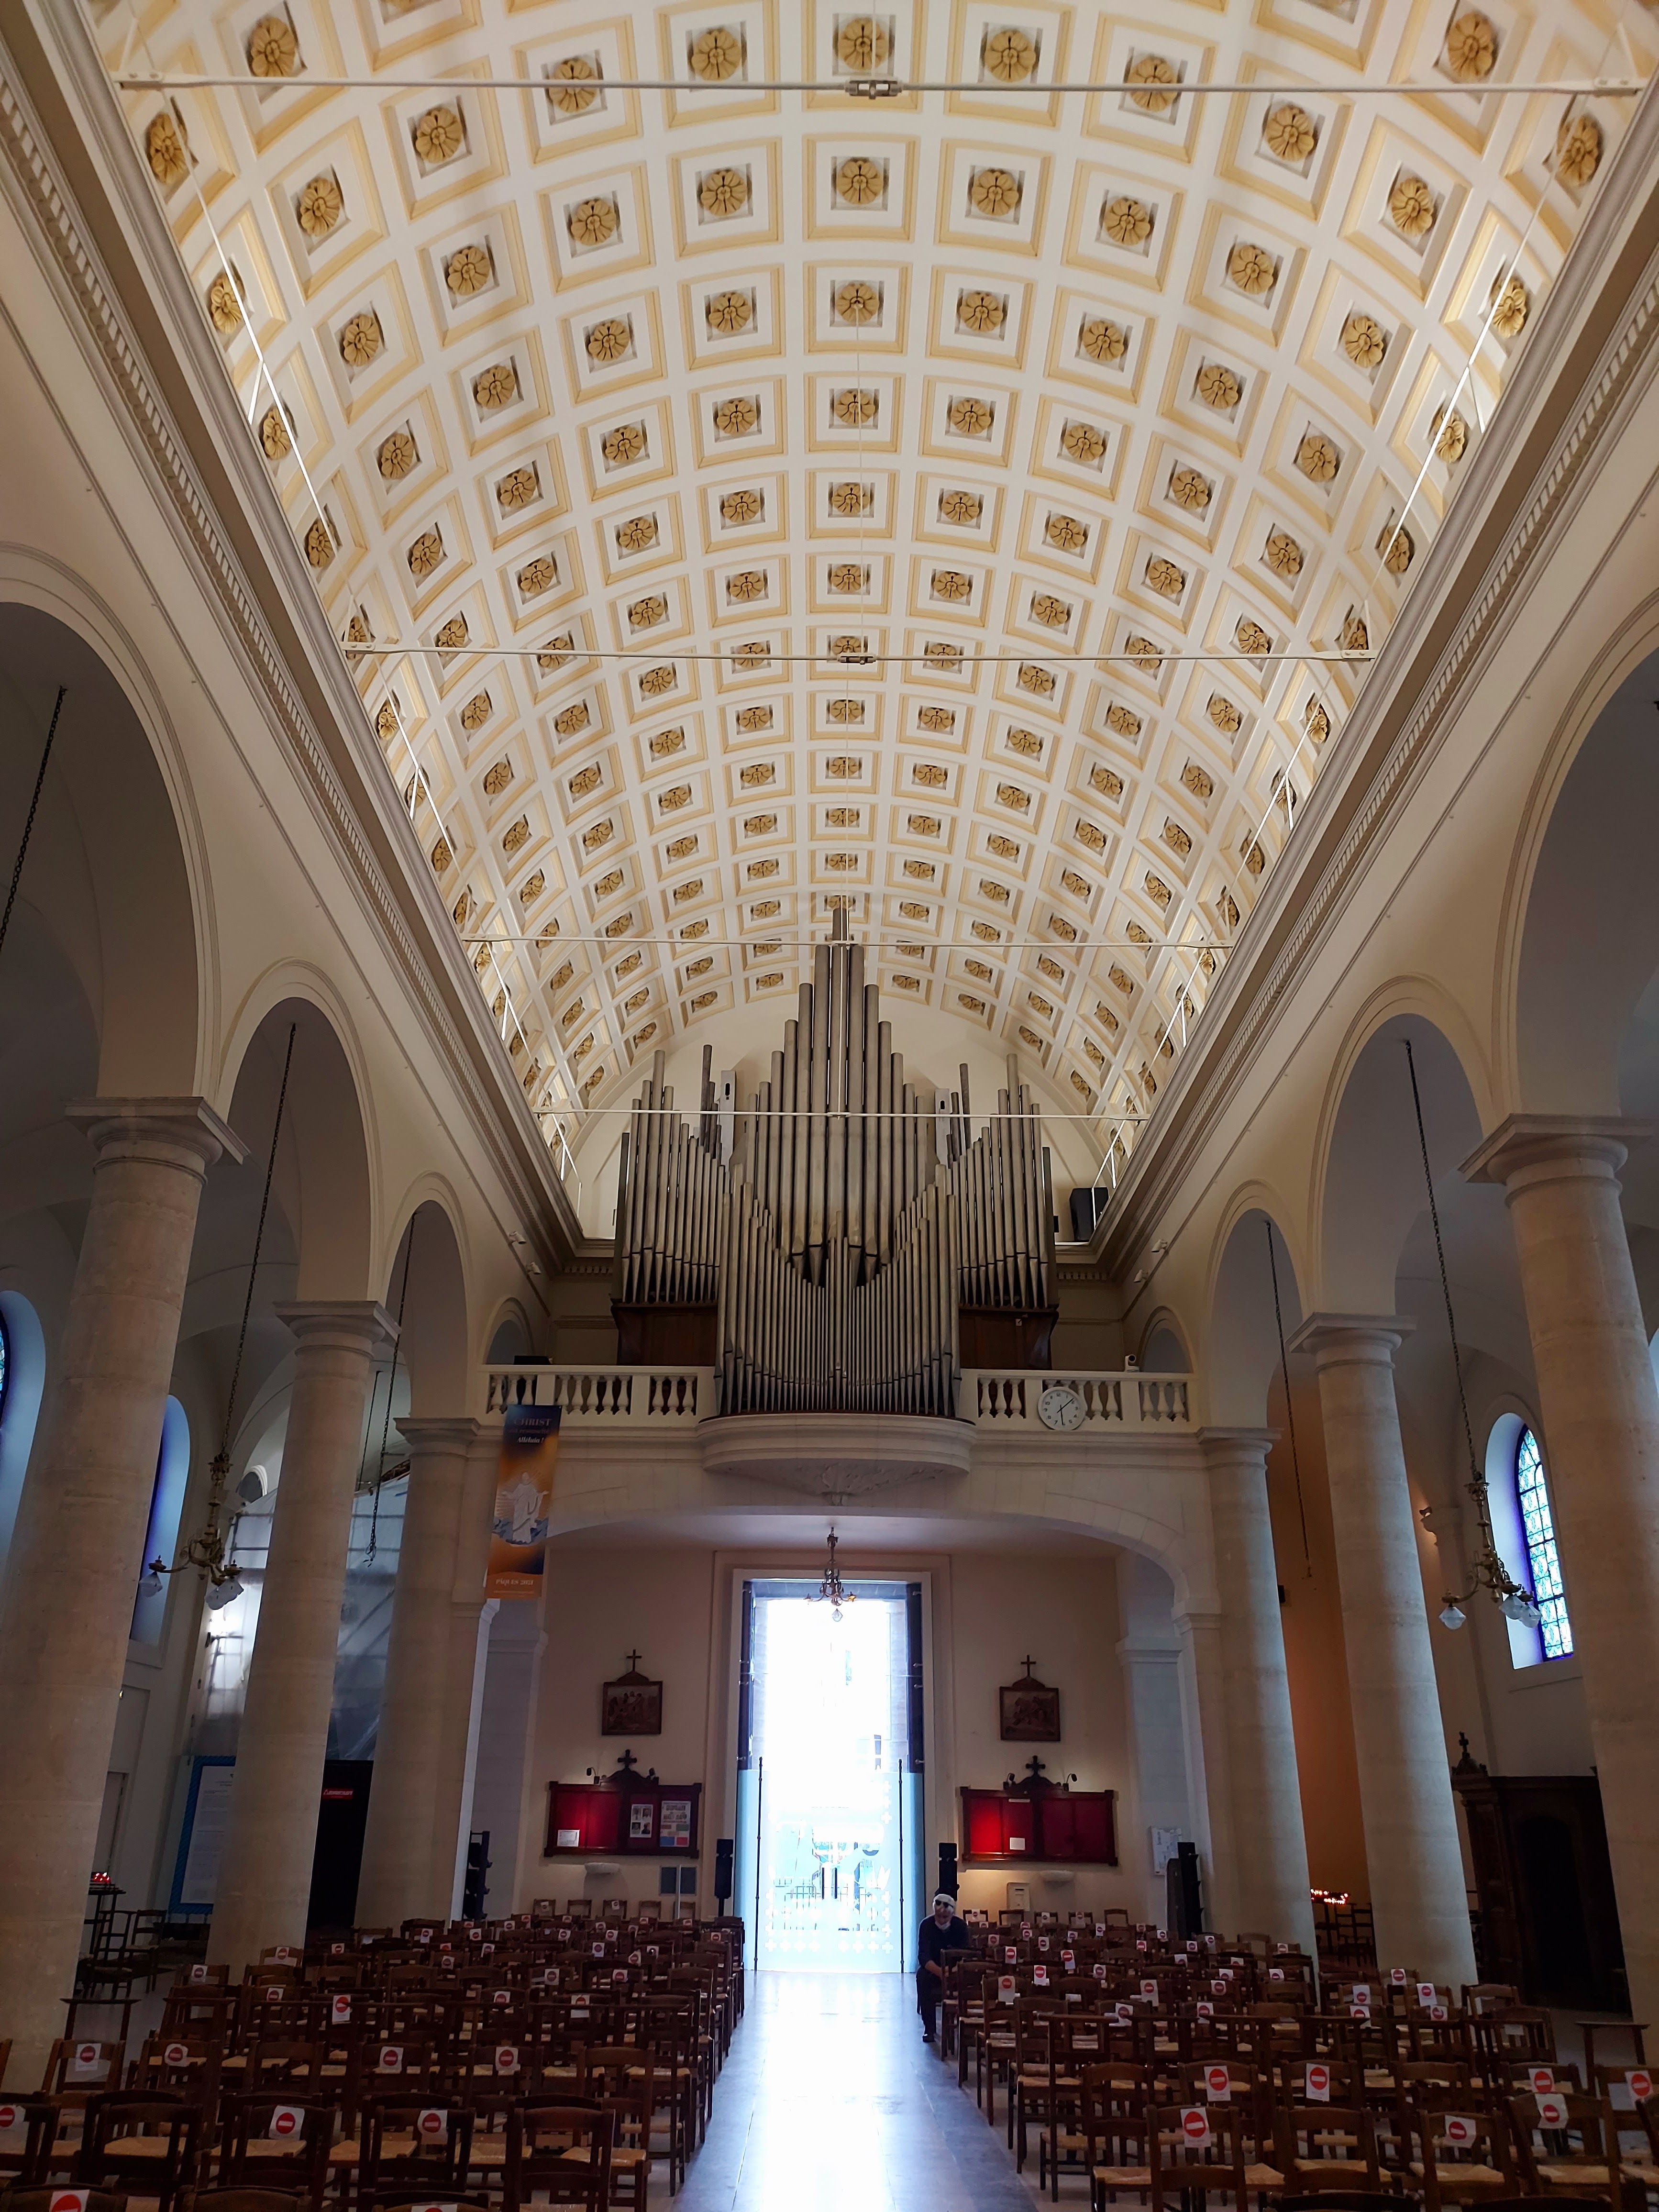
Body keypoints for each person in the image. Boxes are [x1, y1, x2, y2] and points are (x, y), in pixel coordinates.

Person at [916, 1890, 969, 2044]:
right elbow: (923, 1956)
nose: (941, 1919)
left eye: (945, 1917)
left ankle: (966, 2026)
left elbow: (967, 1954)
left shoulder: (960, 1927)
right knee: (922, 1978)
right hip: (934, 1970)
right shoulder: (926, 1926)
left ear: (952, 1915)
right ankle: (930, 2028)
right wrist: (940, 1972)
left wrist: (952, 1971)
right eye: (938, 1916)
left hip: (955, 1971)